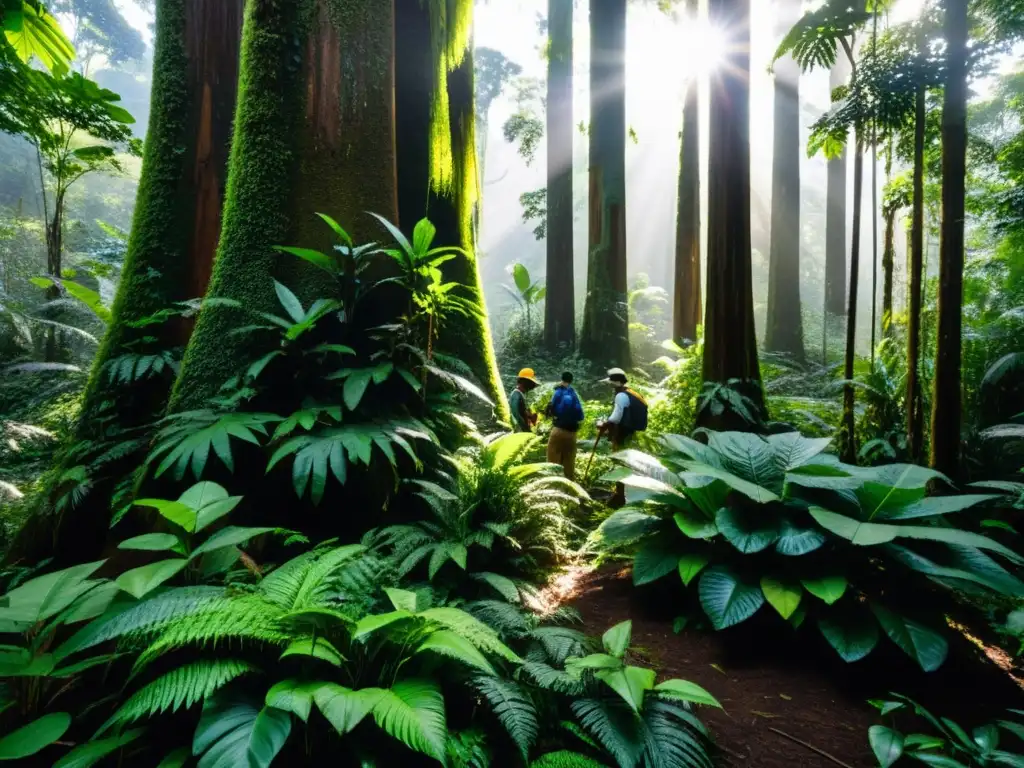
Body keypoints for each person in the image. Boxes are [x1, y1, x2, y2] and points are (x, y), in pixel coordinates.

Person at [597, 368, 648, 507]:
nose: (609, 385)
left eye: (611, 382)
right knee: (625, 460)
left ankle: (620, 495)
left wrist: (604, 424)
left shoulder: (621, 395)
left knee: (620, 460)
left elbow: (617, 416)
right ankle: (621, 492)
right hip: (629, 432)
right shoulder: (631, 392)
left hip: (622, 433)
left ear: (616, 382)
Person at [545, 371, 584, 479]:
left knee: (552, 462)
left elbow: (550, 410)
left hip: (558, 430)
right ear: (571, 381)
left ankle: (553, 485)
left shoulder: (558, 391)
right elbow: (581, 416)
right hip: (572, 433)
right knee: (569, 463)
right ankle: (569, 488)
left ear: (561, 378)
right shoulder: (573, 393)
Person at [509, 368, 540, 432]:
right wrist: (525, 429)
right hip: (520, 431)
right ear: (524, 381)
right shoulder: (516, 395)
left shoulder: (521, 394)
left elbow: (523, 412)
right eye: (531, 382)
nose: (533, 385)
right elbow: (516, 415)